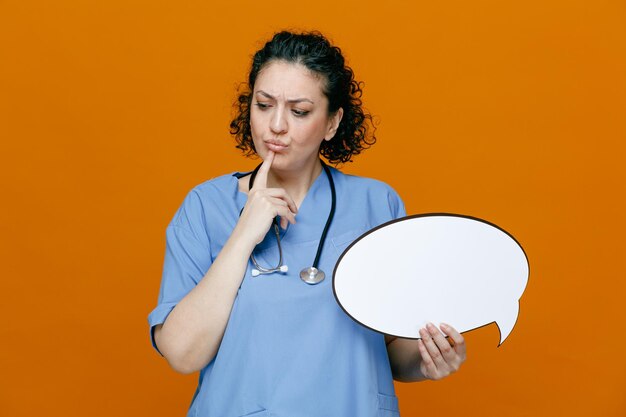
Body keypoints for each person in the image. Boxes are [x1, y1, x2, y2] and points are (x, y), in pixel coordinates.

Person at [148, 30, 466, 417]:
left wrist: (430, 359)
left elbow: (391, 351)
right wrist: (244, 235)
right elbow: (181, 354)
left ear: (332, 123)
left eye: (299, 111)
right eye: (264, 105)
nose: (276, 125)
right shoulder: (206, 206)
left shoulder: (377, 204)